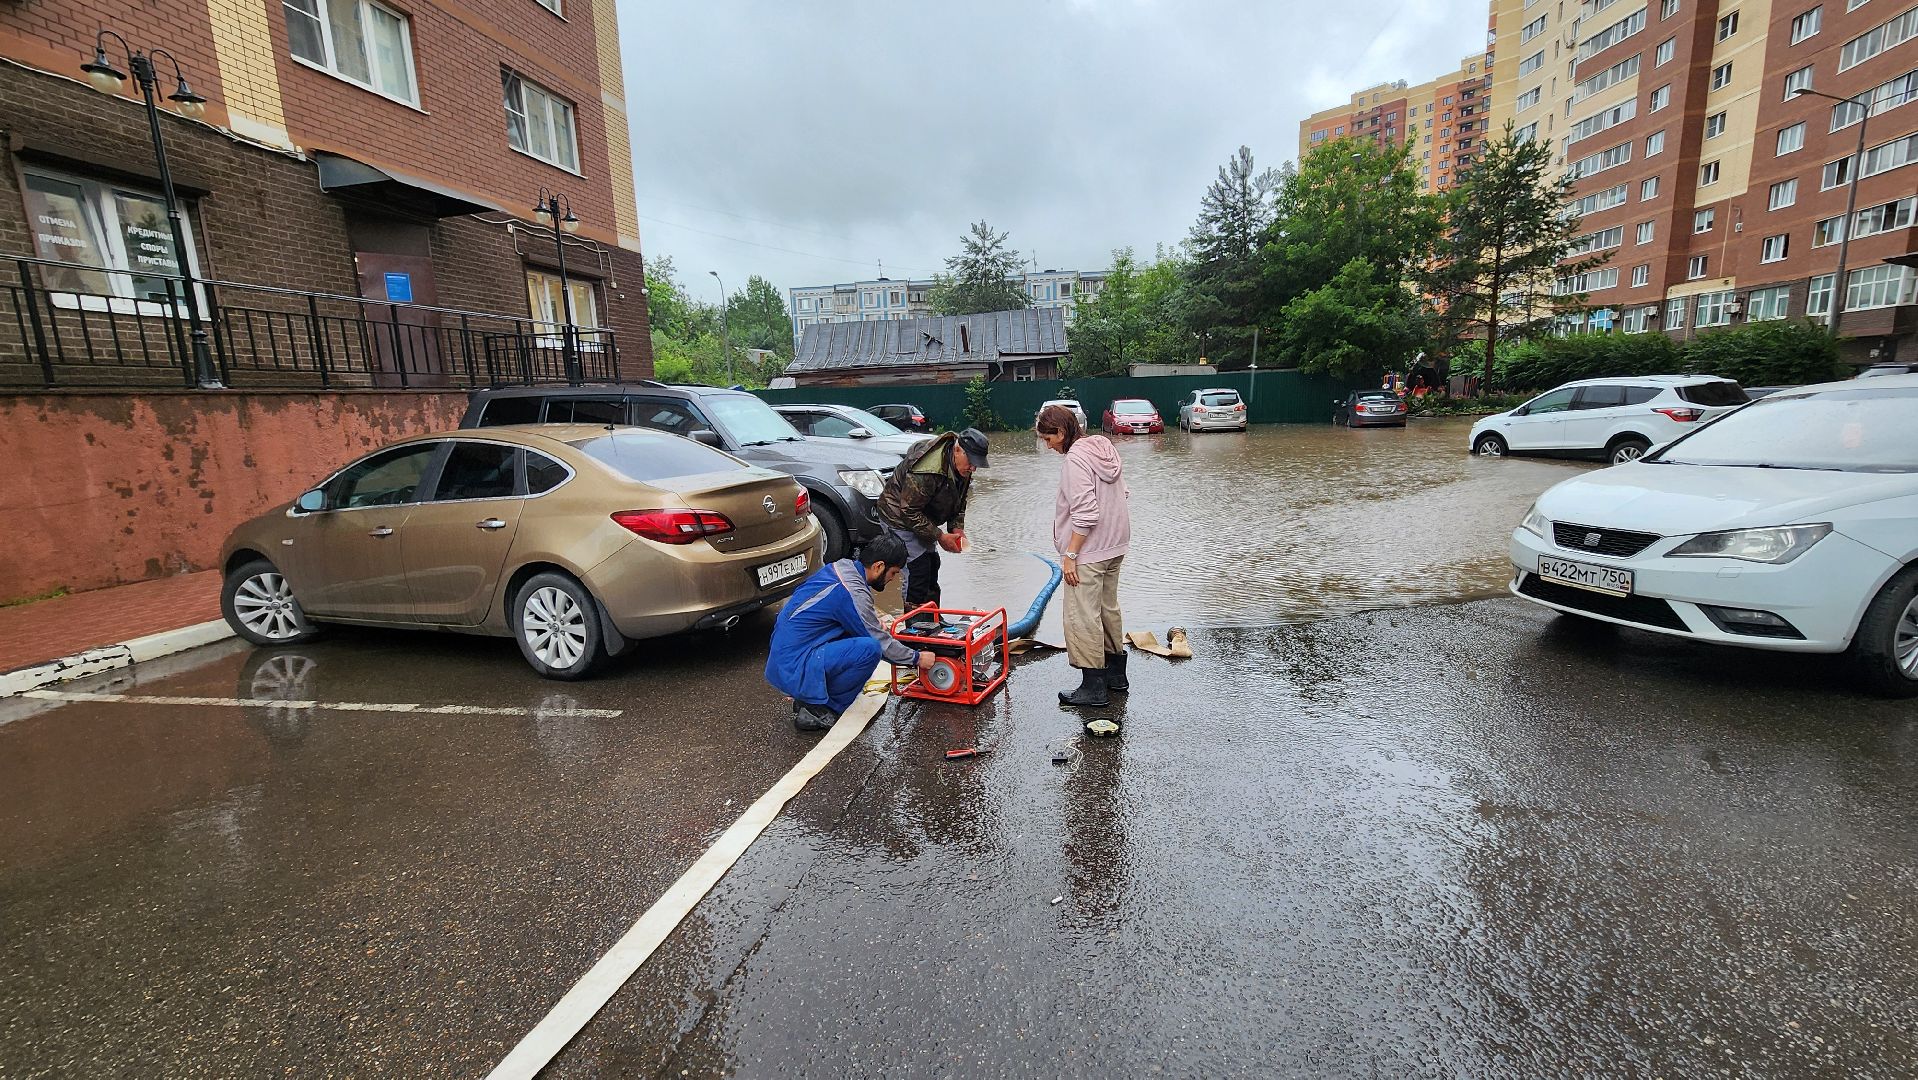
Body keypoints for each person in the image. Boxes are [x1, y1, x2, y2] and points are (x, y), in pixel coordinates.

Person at [765, 533, 934, 731]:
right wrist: (916, 658)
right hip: (794, 665)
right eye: (893, 573)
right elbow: (880, 643)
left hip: (783, 660)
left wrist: (869, 619)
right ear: (879, 566)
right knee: (870, 649)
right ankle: (821, 710)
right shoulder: (851, 591)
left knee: (863, 633)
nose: (892, 579)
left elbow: (842, 612)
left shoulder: (841, 569)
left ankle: (809, 698)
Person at [1036, 404, 1131, 708]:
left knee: (1082, 616)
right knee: (1107, 609)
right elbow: (1122, 494)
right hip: (1116, 545)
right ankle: (1116, 677)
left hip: (1089, 552)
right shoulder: (1105, 449)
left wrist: (1070, 554)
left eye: (1048, 439)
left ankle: (1093, 688)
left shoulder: (1076, 459)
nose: (1048, 446)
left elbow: (1086, 513)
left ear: (1061, 432)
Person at [876, 427, 989, 619]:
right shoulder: (927, 471)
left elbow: (960, 500)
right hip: (898, 515)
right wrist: (940, 536)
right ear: (957, 450)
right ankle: (915, 625)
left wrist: (956, 528)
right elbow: (909, 511)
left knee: (932, 564)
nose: (973, 468)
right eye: (971, 462)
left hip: (921, 514)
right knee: (917, 568)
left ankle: (933, 617)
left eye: (977, 464)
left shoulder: (964, 466)